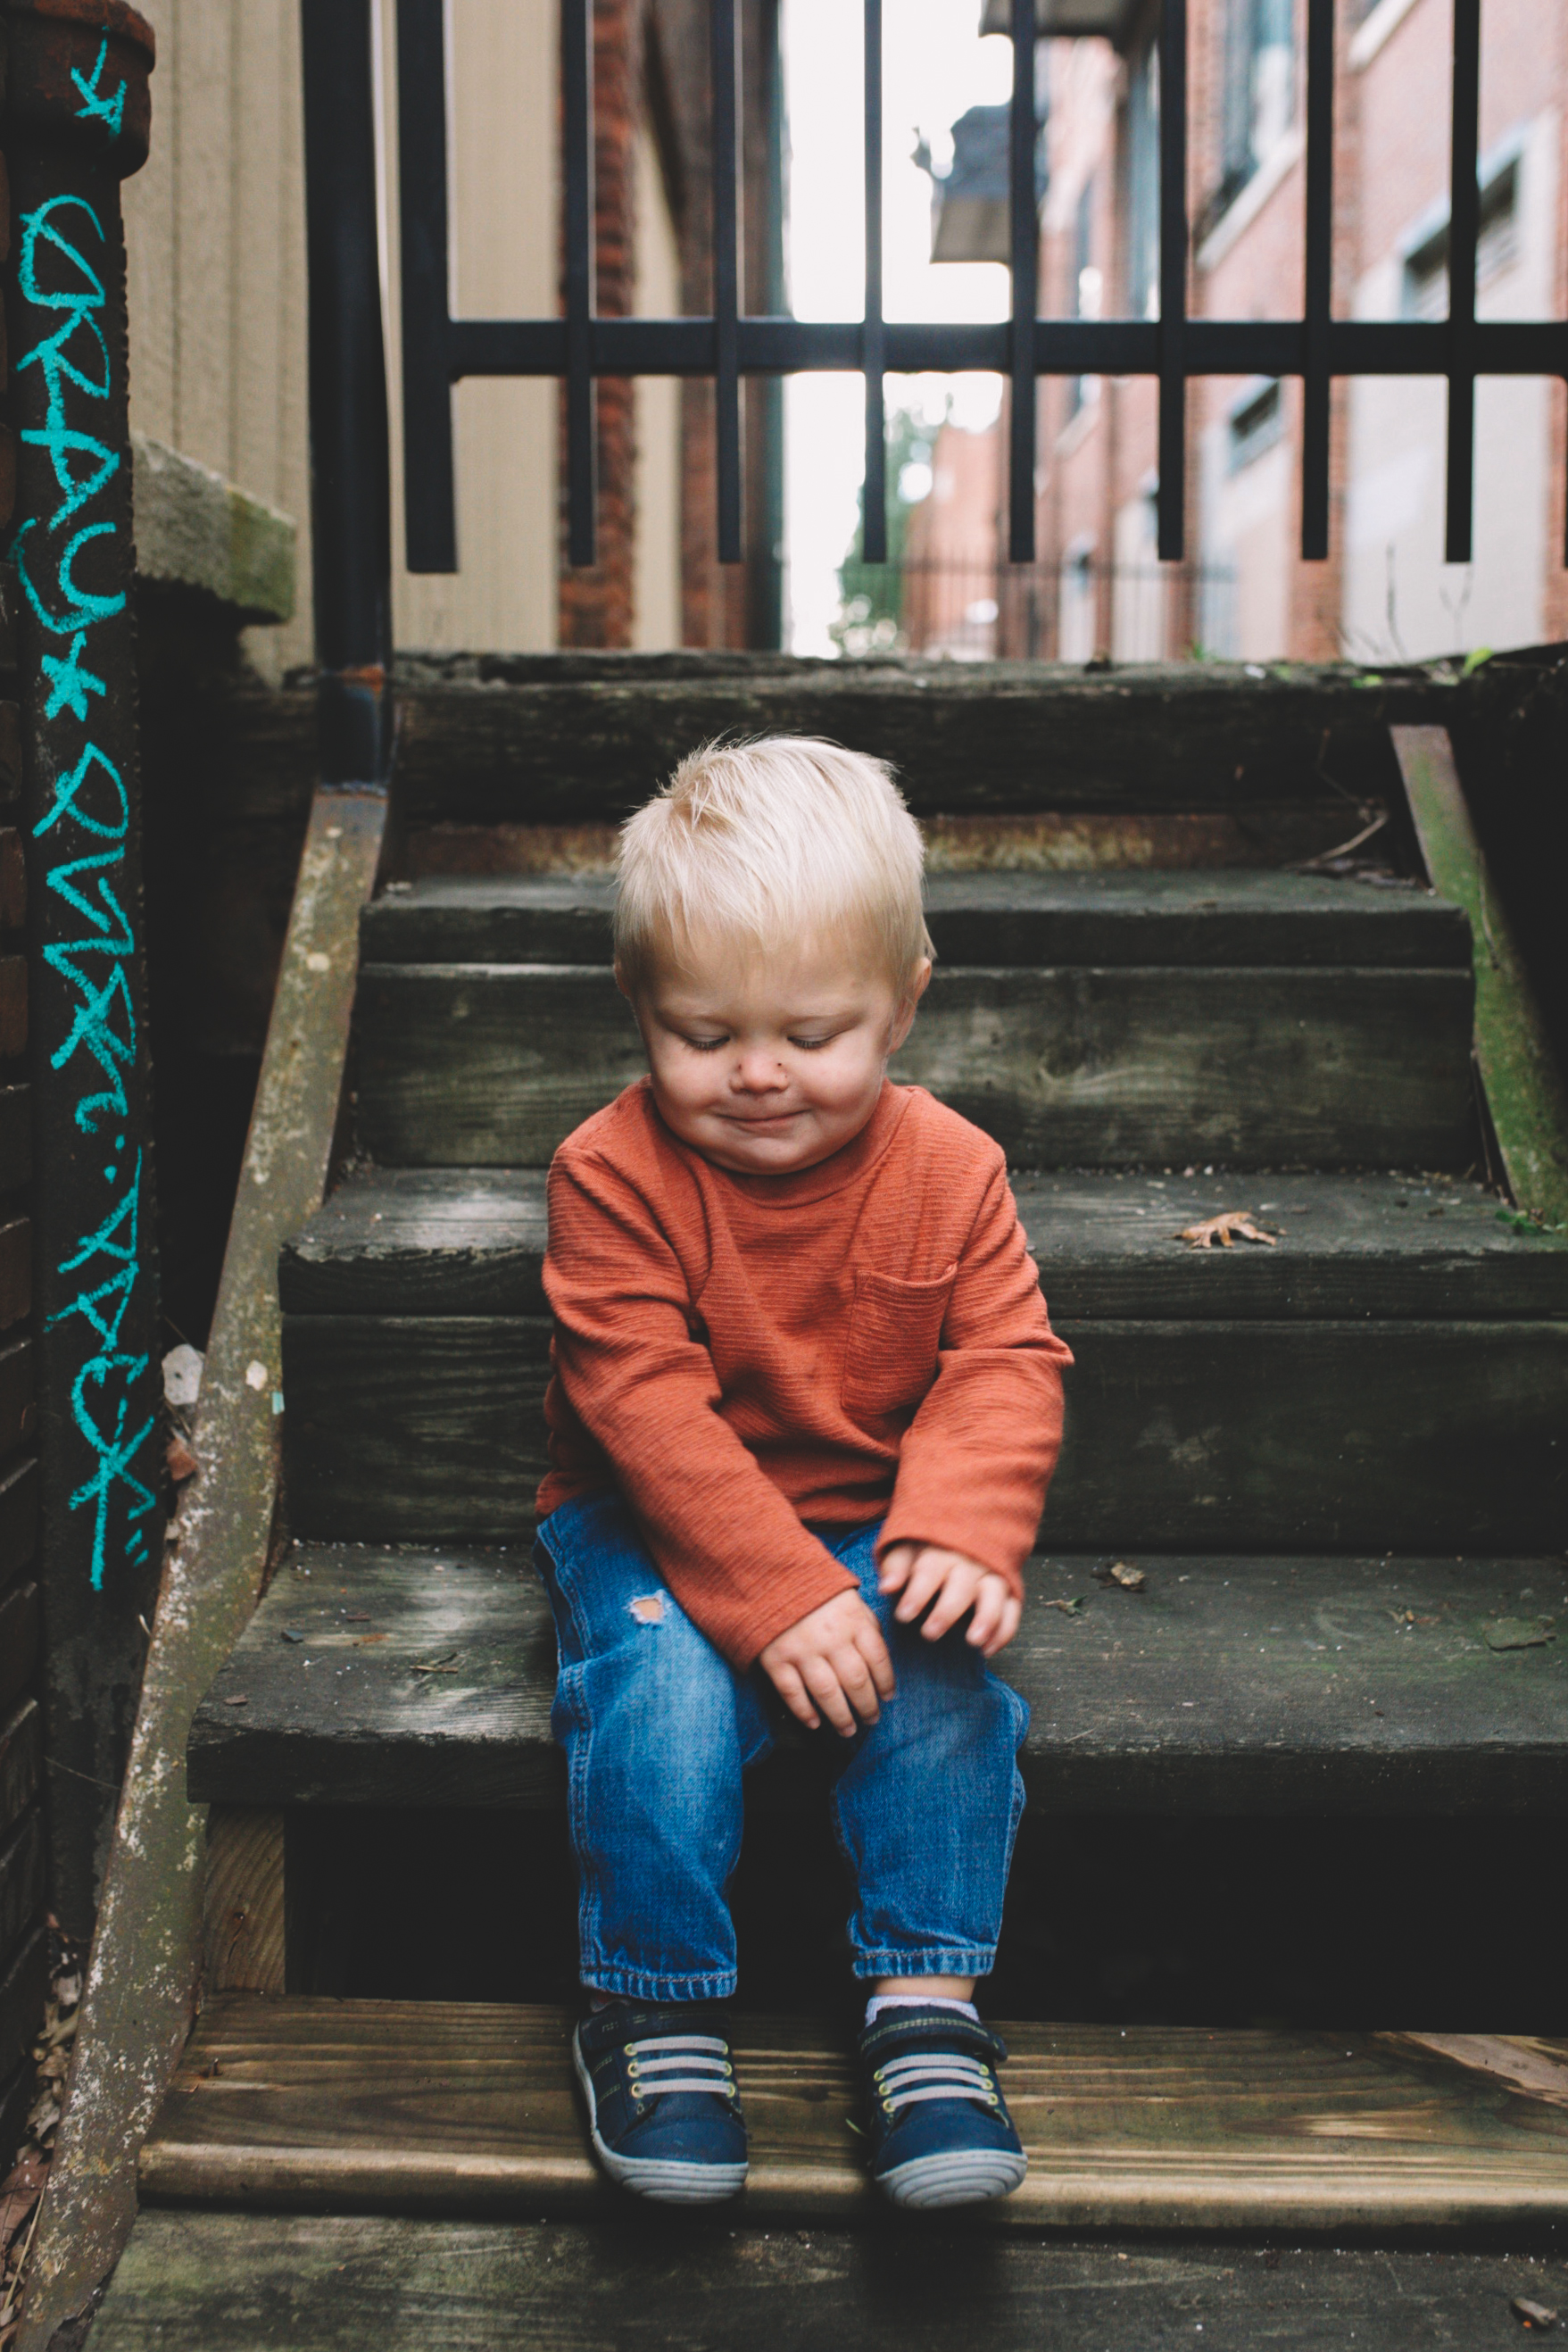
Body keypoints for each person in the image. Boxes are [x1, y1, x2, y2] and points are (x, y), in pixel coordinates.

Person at [534, 737, 1072, 2210]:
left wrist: (961, 1528)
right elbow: (638, 1404)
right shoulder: (613, 1172)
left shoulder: (952, 1168)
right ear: (641, 1008)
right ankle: (651, 2007)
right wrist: (770, 1595)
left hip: (868, 1518)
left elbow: (1004, 1359)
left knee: (946, 1688)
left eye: (813, 1031)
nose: (758, 1072)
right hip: (649, 1521)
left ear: (903, 1003)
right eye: (704, 1034)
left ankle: (927, 2011)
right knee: (665, 1692)